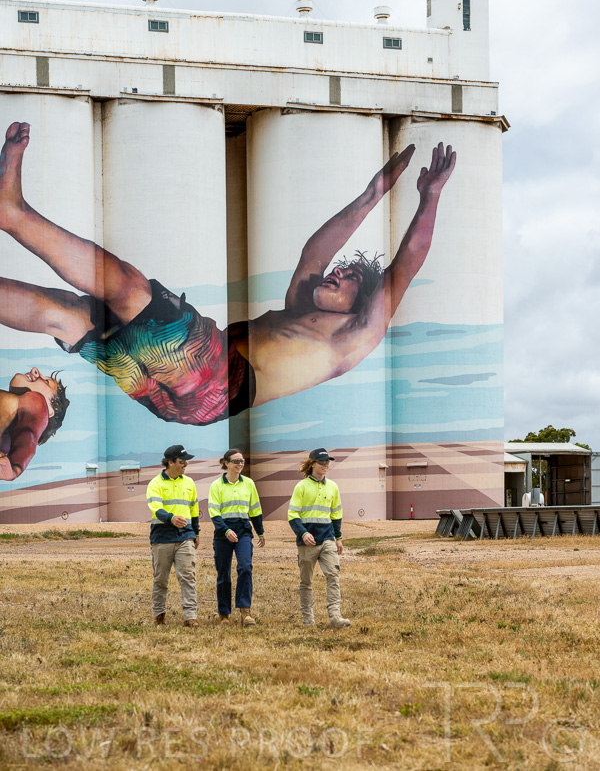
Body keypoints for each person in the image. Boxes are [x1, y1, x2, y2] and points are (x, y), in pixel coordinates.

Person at [0, 121, 455, 425]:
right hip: (180, 398)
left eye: (348, 276)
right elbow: (315, 251)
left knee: (128, 288)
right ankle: (13, 215)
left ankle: (14, 213)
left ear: (364, 298)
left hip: (215, 378)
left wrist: (430, 197)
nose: (334, 272)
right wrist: (373, 193)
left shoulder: (356, 335)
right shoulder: (299, 309)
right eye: (341, 268)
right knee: (73, 315)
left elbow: (407, 262)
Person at [288, 447, 350, 629]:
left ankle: (335, 617)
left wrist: (338, 538)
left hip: (328, 539)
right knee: (306, 582)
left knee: (333, 575)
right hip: (307, 542)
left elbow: (336, 514)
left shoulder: (333, 487)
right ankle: (308, 620)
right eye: (322, 462)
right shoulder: (301, 487)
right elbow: (292, 515)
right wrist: (303, 533)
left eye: (327, 462)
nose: (325, 465)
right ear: (312, 464)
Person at [208, 449, 265, 626]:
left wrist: (260, 532)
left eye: (242, 461)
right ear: (226, 463)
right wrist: (226, 530)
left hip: (243, 531)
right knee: (223, 573)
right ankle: (224, 614)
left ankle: (245, 611)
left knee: (245, 567)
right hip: (223, 533)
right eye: (236, 461)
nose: (240, 464)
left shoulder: (249, 483)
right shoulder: (216, 486)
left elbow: (255, 510)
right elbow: (214, 513)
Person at [146, 444, 200, 627]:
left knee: (188, 577)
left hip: (185, 536)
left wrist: (196, 532)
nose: (186, 464)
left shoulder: (189, 483)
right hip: (162, 538)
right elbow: (156, 508)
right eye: (182, 461)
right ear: (171, 462)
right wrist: (171, 518)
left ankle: (190, 617)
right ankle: (159, 615)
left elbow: (194, 510)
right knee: (160, 579)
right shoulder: (155, 484)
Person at [0, 367, 69, 481]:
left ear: (49, 410)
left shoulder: (37, 403)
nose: (34, 370)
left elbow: (29, 434)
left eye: (47, 381)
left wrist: (15, 469)